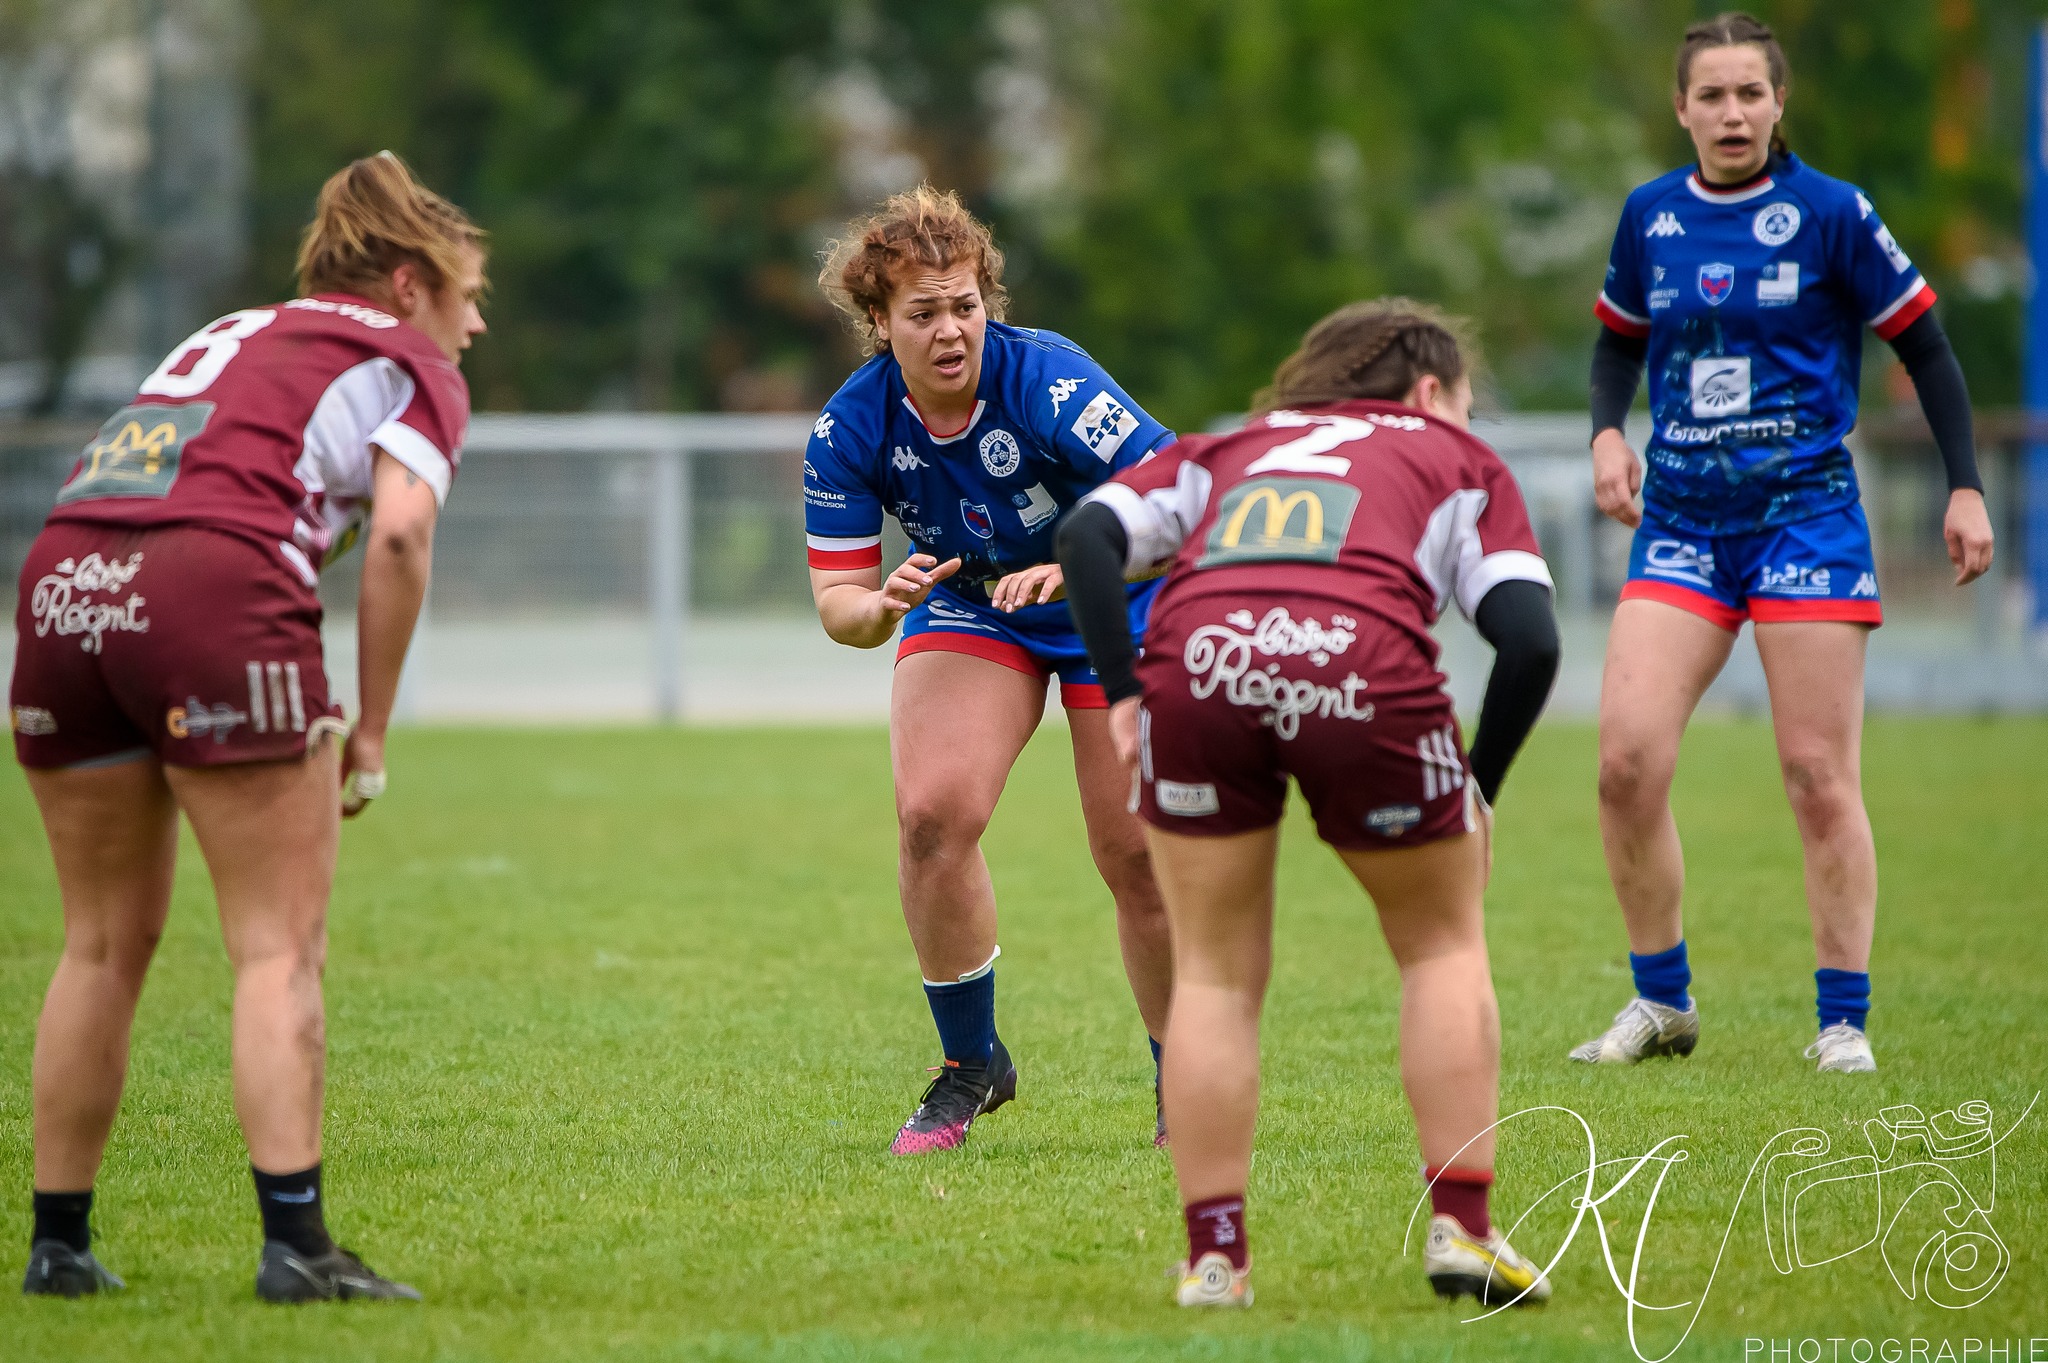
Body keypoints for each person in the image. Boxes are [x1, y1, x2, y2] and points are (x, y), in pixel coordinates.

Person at [12, 152, 485, 1301]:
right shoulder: (407, 358)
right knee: (277, 945)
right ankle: (297, 1248)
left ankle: (58, 1246)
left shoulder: (237, 331)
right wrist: (369, 729)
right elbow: (401, 539)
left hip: (63, 577)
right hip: (208, 590)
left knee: (97, 943)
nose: (474, 328)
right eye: (472, 298)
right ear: (412, 281)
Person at [1055, 299, 1562, 1308]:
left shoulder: (1228, 445)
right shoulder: (1452, 458)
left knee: (1211, 975)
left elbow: (1083, 536)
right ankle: (1463, 1230)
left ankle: (1214, 1260)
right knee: (1438, 946)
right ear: (1428, 393)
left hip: (1198, 663)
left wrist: (1120, 696)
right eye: (1463, 402)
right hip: (1362, 670)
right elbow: (1530, 640)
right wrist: (1478, 789)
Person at [1575, 13, 1994, 1074]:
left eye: (1747, 94)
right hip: (1679, 519)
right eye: (1709, 95)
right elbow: (1614, 345)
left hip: (1804, 513)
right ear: (1680, 109)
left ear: (1776, 104)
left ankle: (1840, 1020)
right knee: (1624, 761)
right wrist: (1604, 436)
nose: (1730, 113)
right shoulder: (1649, 217)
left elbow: (1927, 349)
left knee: (1814, 772)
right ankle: (1660, 1003)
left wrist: (1962, 489)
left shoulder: (1829, 214)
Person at [806, 186, 1176, 1155]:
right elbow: (837, 605)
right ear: (878, 323)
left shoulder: (1049, 383)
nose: (947, 331)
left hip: (1116, 595)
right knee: (930, 815)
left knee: (1131, 848)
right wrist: (879, 608)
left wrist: (1086, 559)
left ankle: (1184, 1069)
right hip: (973, 603)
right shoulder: (850, 428)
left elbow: (1181, 495)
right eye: (921, 313)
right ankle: (971, 1063)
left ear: (987, 305)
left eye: (962, 305)